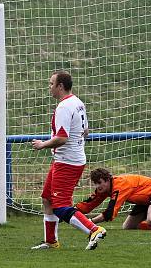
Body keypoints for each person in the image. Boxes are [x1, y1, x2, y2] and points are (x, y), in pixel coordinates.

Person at [30, 71, 107, 250]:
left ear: (60, 86)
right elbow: (85, 131)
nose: (49, 87)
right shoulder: (78, 102)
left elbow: (62, 138)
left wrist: (42, 144)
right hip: (67, 159)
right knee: (47, 198)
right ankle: (51, 241)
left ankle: (93, 229)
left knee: (60, 205)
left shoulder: (64, 107)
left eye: (51, 84)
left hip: (67, 161)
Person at [76, 168, 151, 231]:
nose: (97, 186)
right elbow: (88, 205)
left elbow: (110, 213)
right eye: (95, 183)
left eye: (99, 183)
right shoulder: (104, 189)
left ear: (107, 179)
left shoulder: (119, 186)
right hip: (144, 200)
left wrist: (89, 223)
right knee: (128, 227)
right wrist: (67, 212)